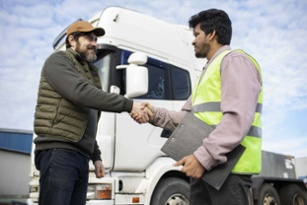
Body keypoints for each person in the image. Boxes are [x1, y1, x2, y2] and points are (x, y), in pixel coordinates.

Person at [135, 9, 263, 205]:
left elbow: (237, 119)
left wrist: (203, 157)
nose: (193, 41)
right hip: (207, 169)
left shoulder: (235, 61)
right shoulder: (207, 72)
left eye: (197, 34)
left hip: (229, 172)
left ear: (211, 34)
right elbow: (184, 120)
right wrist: (153, 113)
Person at [33, 20, 150, 205]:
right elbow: (80, 93)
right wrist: (128, 105)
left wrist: (96, 156)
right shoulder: (58, 61)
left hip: (80, 157)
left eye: (96, 39)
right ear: (72, 40)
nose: (94, 43)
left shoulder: (89, 72)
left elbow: (86, 120)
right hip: (59, 152)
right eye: (89, 38)